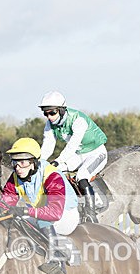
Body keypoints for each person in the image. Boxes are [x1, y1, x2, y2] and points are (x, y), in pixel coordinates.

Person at [0, 137, 79, 274]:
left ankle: (56, 259)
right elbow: (7, 199)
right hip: (41, 213)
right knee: (16, 220)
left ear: (34, 162)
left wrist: (25, 211)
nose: (17, 168)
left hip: (65, 215)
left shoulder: (52, 176)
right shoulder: (16, 176)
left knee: (40, 219)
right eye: (15, 162)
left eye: (22, 162)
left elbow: (55, 212)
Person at [38, 91, 108, 222]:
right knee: (55, 172)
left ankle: (91, 214)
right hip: (78, 155)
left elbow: (72, 146)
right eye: (45, 113)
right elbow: (47, 146)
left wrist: (58, 161)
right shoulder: (49, 125)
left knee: (82, 175)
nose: (49, 117)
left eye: (52, 112)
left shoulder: (78, 120)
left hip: (97, 153)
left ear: (62, 110)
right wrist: (37, 163)